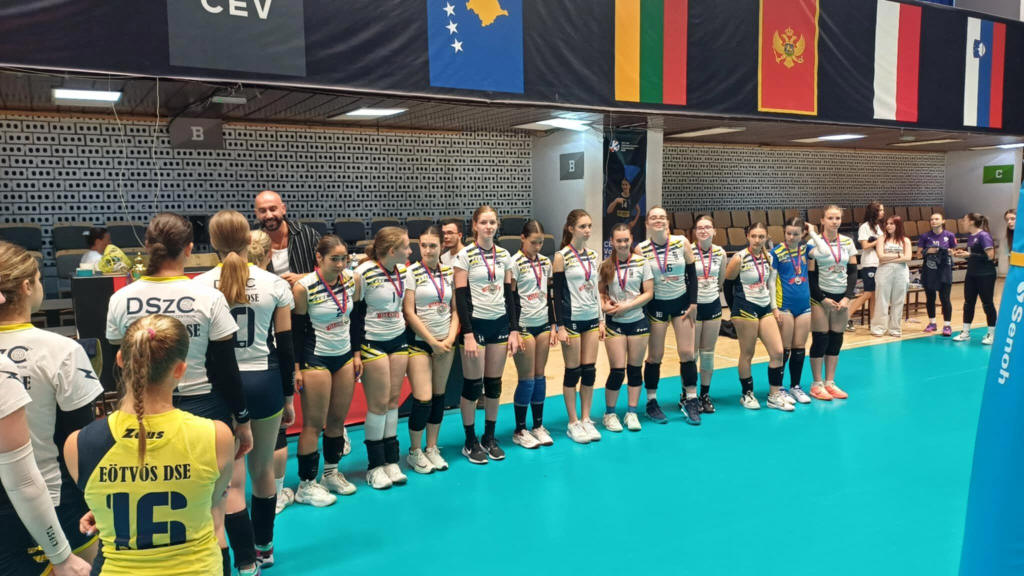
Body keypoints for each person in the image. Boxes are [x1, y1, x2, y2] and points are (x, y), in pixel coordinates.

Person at [105, 212, 252, 576]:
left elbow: (118, 365)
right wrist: (242, 419)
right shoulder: (208, 297)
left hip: (142, 410)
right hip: (204, 407)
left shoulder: (122, 299)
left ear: (147, 246)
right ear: (188, 248)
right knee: (215, 508)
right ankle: (246, 563)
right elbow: (226, 368)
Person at [65, 315, 235, 576]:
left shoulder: (78, 444)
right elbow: (209, 500)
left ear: (120, 359)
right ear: (180, 370)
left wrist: (108, 509)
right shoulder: (216, 436)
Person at [194, 210, 295, 569]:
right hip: (264, 382)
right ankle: (265, 547)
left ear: (213, 243)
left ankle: (245, 560)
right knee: (263, 470)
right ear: (249, 239)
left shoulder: (198, 285)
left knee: (230, 483)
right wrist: (288, 397)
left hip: (220, 388)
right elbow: (286, 348)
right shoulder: (275, 284)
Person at [0, 242, 102, 576]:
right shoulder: (62, 350)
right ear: (27, 286)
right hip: (56, 499)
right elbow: (80, 440)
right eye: (39, 279)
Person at [253, 190, 322, 515]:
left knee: (313, 380)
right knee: (288, 378)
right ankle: (276, 487)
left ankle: (326, 429)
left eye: (272, 208)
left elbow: (328, 269)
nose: (268, 215)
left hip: (308, 319)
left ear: (283, 208)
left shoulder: (307, 235)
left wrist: (303, 278)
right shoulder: (252, 241)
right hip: (271, 321)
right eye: (262, 210)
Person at [291, 236, 361, 499]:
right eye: (334, 259)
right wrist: (296, 368)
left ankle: (330, 474)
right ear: (319, 258)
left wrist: (356, 354)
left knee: (337, 421)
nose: (340, 264)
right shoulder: (303, 287)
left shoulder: (351, 281)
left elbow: (355, 320)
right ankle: (306, 484)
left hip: (344, 358)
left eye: (344, 259)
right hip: (316, 359)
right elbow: (296, 332)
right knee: (313, 423)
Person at [453, 206, 521, 464]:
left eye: (492, 222)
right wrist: (468, 333)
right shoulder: (464, 256)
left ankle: (489, 437)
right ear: (474, 225)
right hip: (476, 327)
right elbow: (460, 298)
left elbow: (510, 295)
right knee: (473, 386)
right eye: (484, 222)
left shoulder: (504, 255)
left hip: (500, 326)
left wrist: (513, 329)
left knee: (494, 385)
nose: (489, 226)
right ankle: (470, 441)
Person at [352, 227, 412, 487]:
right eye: (406, 247)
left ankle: (391, 461)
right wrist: (356, 352)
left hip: (398, 340)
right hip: (372, 342)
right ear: (392, 250)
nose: (410, 251)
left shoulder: (405, 272)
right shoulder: (363, 273)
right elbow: (355, 315)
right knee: (378, 404)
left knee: (393, 401)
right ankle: (374, 466)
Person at [635, 207, 698, 424]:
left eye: (662, 217)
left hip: (682, 303)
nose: (658, 220)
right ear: (647, 224)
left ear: (667, 222)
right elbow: (639, 282)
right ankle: (651, 401)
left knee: (687, 352)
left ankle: (691, 399)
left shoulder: (682, 242)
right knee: (655, 355)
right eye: (653, 217)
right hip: (656, 306)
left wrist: (693, 302)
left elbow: (692, 274)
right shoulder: (641, 249)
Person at [403, 226, 459, 470]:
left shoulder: (449, 272)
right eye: (423, 245)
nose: (427, 250)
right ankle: (414, 451)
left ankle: (432, 447)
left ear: (441, 247)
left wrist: (449, 338)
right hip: (420, 343)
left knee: (438, 397)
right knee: (423, 399)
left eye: (433, 245)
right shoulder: (412, 272)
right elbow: (408, 311)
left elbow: (456, 310)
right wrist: (432, 342)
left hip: (446, 343)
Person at [724, 223, 791, 411]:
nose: (757, 240)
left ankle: (774, 396)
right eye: (754, 236)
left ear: (766, 237)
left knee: (778, 352)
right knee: (748, 354)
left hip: (764, 307)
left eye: (761, 236)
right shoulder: (739, 258)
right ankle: (747, 394)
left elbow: (770, 284)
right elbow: (727, 286)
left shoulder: (769, 257)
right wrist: (735, 311)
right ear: (748, 236)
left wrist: (774, 307)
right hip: (745, 308)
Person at [554, 209, 604, 443]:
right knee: (572, 372)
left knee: (589, 370)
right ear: (571, 228)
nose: (587, 230)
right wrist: (560, 326)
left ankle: (586, 418)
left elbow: (596, 290)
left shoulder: (593, 255)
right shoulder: (561, 256)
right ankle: (573, 422)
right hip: (571, 320)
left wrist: (601, 319)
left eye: (589, 226)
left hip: (591, 318)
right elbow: (556, 295)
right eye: (583, 226)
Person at [598, 224, 653, 432]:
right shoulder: (606, 265)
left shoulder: (642, 263)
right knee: (617, 371)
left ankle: (632, 412)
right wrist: (604, 306)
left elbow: (649, 293)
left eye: (626, 240)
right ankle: (610, 414)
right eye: (618, 240)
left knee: (635, 370)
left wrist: (627, 306)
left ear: (631, 240)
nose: (622, 244)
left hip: (638, 321)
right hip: (615, 324)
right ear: (612, 242)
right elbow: (601, 293)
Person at [508, 220, 556, 448]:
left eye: (541, 243)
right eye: (533, 242)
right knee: (526, 379)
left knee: (539, 376)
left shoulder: (546, 262)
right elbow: (510, 298)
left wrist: (554, 324)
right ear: (522, 238)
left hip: (543, 324)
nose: (537, 247)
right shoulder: (514, 263)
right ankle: (520, 430)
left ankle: (537, 426)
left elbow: (550, 294)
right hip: (524, 326)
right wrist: (514, 329)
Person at [806, 206, 859, 401]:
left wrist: (847, 297)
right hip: (820, 297)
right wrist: (821, 298)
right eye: (830, 218)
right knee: (821, 339)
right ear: (822, 220)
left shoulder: (847, 242)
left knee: (836, 339)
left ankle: (830, 382)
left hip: (841, 297)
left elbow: (853, 271)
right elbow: (810, 274)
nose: (834, 221)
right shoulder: (813, 243)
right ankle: (816, 384)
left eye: (837, 218)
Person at [770, 218, 813, 404]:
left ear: (802, 233)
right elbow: (771, 282)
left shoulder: (807, 249)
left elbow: (823, 253)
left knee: (799, 348)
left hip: (804, 305)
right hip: (785, 306)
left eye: (796, 233)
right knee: (784, 349)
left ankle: (795, 386)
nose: (792, 237)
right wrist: (774, 307)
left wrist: (813, 232)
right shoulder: (776, 252)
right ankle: (779, 388)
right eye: (788, 233)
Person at [691, 215, 727, 413]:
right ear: (695, 232)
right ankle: (688, 395)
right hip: (694, 308)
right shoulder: (688, 251)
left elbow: (721, 280)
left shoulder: (720, 253)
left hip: (713, 305)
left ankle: (704, 394)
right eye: (700, 227)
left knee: (707, 353)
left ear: (714, 231)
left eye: (707, 227)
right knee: (691, 354)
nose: (704, 230)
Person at [953, 213, 998, 345]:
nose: (962, 222)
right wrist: (964, 256)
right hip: (972, 274)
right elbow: (974, 256)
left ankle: (992, 334)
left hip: (986, 275)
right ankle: (965, 332)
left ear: (972, 222)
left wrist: (970, 255)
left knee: (987, 304)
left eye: (964, 220)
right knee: (968, 303)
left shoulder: (984, 236)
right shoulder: (971, 236)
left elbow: (990, 256)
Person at [846, 202, 885, 332]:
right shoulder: (865, 227)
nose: (883, 212)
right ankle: (845, 316)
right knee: (868, 293)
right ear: (874, 212)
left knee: (874, 295)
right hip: (869, 263)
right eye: (880, 210)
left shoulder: (878, 227)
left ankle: (873, 323)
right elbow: (865, 246)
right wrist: (879, 240)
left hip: (878, 263)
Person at [917, 213, 957, 336]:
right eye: (931, 219)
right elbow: (918, 255)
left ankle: (947, 325)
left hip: (944, 270)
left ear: (943, 221)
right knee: (930, 298)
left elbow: (954, 251)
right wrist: (928, 250)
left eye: (936, 219)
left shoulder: (949, 235)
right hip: (929, 271)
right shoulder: (925, 236)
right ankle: (932, 323)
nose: (933, 221)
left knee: (945, 298)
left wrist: (950, 252)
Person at [872, 216, 912, 337]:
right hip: (884, 271)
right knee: (882, 300)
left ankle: (895, 329)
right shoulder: (881, 239)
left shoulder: (905, 240)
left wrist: (889, 257)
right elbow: (881, 256)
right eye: (887, 223)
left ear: (898, 225)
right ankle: (878, 328)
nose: (888, 226)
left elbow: (908, 257)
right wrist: (899, 255)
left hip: (901, 272)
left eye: (892, 224)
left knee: (898, 301)